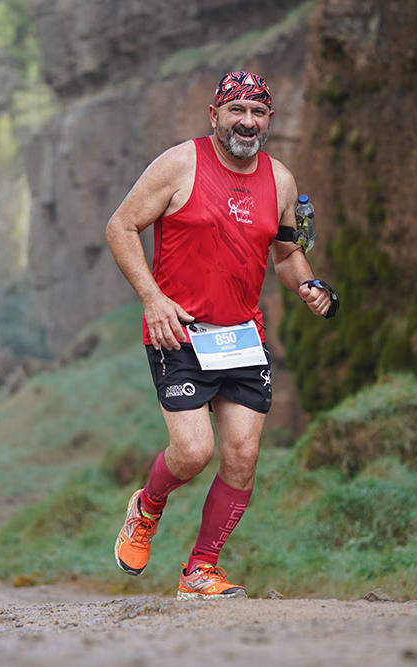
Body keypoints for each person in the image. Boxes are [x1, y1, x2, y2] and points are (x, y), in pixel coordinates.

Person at [105, 71, 336, 599]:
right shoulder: (179, 164)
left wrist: (309, 285)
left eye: (258, 113)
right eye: (237, 111)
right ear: (215, 115)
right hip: (178, 331)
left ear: (269, 121)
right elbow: (120, 227)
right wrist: (153, 298)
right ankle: (146, 508)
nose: (247, 123)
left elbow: (284, 253)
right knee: (191, 452)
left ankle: (201, 569)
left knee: (242, 456)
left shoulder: (280, 181)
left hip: (241, 337)